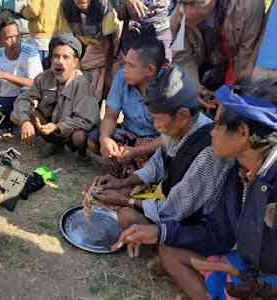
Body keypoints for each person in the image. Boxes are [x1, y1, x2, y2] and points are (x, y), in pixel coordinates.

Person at [91, 66, 234, 256]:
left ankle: (167, 252)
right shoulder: (178, 129)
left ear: (182, 115)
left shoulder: (209, 151)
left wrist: (125, 200)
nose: (156, 126)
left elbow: (174, 210)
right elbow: (157, 165)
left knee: (126, 216)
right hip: (173, 206)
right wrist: (122, 182)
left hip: (197, 225)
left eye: (158, 119)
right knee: (122, 196)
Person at [155, 80, 277, 300]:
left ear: (242, 132)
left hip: (267, 283)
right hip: (246, 268)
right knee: (168, 252)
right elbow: (219, 233)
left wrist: (263, 289)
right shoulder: (238, 171)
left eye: (219, 124)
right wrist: (161, 232)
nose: (212, 131)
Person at [11, 33, 99, 160]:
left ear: (76, 62)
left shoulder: (83, 84)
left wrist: (58, 127)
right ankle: (53, 144)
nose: (59, 61)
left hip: (69, 130)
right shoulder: (43, 78)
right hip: (49, 127)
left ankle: (80, 153)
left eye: (65, 57)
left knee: (79, 136)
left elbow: (86, 120)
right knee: (31, 113)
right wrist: (25, 121)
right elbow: (24, 99)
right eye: (56, 56)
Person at [87, 36, 165, 178]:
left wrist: (136, 151)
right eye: (126, 63)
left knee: (160, 162)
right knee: (94, 140)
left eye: (131, 65)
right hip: (129, 135)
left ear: (150, 70)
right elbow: (110, 115)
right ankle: (131, 167)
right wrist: (105, 139)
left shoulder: (169, 87)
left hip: (157, 143)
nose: (125, 69)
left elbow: (170, 137)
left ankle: (134, 169)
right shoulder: (122, 77)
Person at [170, 0, 265, 90]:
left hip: (234, 67)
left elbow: (245, 57)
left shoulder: (249, 5)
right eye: (183, 4)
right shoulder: (178, 17)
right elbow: (182, 57)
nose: (187, 12)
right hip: (207, 65)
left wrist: (229, 93)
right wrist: (195, 89)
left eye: (193, 3)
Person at [0, 17, 43, 130]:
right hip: (5, 100)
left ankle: (14, 125)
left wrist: (3, 75)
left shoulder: (31, 53)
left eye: (17, 36)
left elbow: (35, 84)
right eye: (9, 38)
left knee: (25, 96)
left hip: (26, 100)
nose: (14, 41)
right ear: (0, 41)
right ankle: (6, 125)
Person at [55, 0, 122, 99]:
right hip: (82, 48)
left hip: (108, 50)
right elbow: (67, 39)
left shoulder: (104, 5)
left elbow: (110, 42)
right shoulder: (65, 5)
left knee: (108, 88)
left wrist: (108, 71)